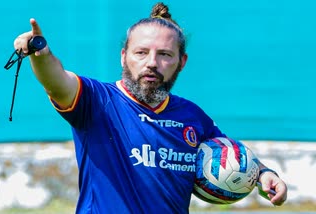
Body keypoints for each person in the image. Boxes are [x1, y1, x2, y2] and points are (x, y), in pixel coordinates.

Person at [14, 2, 287, 213]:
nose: (152, 63)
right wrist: (41, 54)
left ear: (182, 62)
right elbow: (57, 82)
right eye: (141, 52)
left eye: (165, 54)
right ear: (124, 56)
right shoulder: (97, 101)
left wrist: (264, 173)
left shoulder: (192, 115)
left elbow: (228, 152)